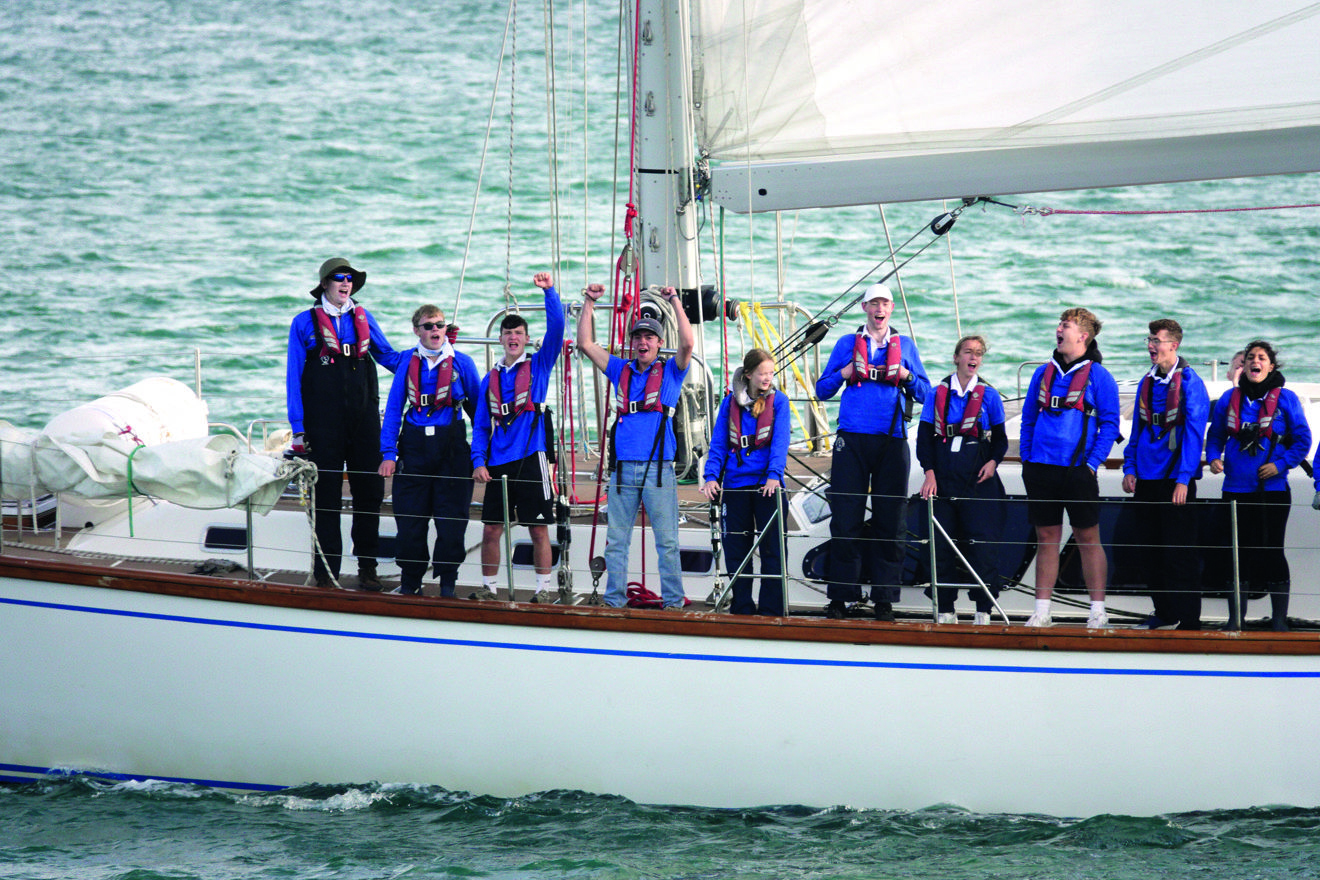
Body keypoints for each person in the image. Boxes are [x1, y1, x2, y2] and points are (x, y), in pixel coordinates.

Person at [286, 257, 404, 590]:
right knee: (326, 497)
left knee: (369, 493)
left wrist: (428, 354)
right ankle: (326, 572)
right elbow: (293, 377)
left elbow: (391, 358)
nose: (345, 282)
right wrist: (298, 428)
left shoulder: (364, 318)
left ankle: (368, 568)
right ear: (324, 284)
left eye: (350, 278)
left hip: (363, 418)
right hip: (323, 422)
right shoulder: (303, 323)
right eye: (338, 278)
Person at [814, 282, 930, 621]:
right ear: (865, 308)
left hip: (892, 440)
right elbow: (821, 389)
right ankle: (840, 597)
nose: (879, 309)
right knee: (845, 520)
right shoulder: (846, 344)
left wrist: (906, 374)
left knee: (890, 522)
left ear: (891, 310)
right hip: (852, 440)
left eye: (885, 303)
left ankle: (884, 599)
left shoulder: (905, 345)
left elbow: (926, 393)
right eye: (873, 303)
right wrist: (844, 373)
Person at [576, 284, 695, 609]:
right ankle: (614, 602)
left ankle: (673, 604)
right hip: (623, 470)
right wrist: (589, 302)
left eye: (649, 337)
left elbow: (687, 342)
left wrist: (674, 301)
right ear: (633, 343)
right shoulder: (620, 369)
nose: (643, 342)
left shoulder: (672, 371)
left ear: (659, 343)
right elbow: (585, 343)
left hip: (659, 471)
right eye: (638, 337)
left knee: (667, 542)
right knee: (616, 541)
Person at [1019, 307, 1120, 628]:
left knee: (1087, 536)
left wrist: (1091, 463)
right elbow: (1028, 420)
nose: (1059, 330)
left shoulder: (1099, 376)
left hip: (1078, 470)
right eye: (1059, 324)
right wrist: (1027, 458)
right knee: (1046, 536)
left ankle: (1097, 611)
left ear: (1083, 336)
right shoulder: (1041, 373)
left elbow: (1110, 423)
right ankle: (1042, 610)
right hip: (1041, 469)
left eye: (1066, 326)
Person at [472, 272, 565, 603]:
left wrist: (549, 292)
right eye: (508, 333)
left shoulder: (539, 366)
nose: (513, 338)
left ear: (527, 339)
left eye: (519, 333)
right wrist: (478, 461)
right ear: (501, 339)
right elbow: (481, 426)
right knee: (491, 530)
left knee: (538, 529)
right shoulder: (489, 380)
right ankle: (489, 588)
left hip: (532, 457)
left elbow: (557, 329)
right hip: (498, 462)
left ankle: (542, 590)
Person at [1205, 340, 1311, 631]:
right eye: (1250, 357)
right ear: (1244, 365)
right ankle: (1235, 618)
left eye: (1262, 358)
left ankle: (1278, 620)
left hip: (1272, 491)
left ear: (1271, 366)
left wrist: (1280, 465)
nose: (1255, 362)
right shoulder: (1229, 398)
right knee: (1237, 553)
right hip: (1235, 489)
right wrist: (1214, 458)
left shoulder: (1286, 399)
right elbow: (1215, 436)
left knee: (1272, 551)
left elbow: (1303, 441)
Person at [378, 305, 480, 596]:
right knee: (410, 521)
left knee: (452, 523)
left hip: (452, 449)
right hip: (414, 448)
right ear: (416, 331)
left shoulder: (463, 363)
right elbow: (394, 410)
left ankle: (448, 583)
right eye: (428, 326)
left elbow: (479, 415)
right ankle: (411, 582)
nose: (435, 330)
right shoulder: (406, 366)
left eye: (439, 325)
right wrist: (388, 454)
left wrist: (481, 456)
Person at [1120, 319, 1210, 630]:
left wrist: (1184, 479)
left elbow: (1195, 435)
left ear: (1174, 345)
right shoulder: (1148, 381)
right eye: (1149, 339)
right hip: (1147, 478)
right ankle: (1165, 612)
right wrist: (1129, 467)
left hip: (1175, 481)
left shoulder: (1190, 383)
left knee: (1179, 554)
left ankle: (1190, 619)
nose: (1150, 345)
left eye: (1156, 340)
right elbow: (1137, 430)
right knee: (1148, 551)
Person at [916, 335, 1007, 625]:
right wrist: (929, 473)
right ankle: (945, 610)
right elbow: (923, 440)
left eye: (979, 353)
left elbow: (1001, 441)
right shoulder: (936, 394)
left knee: (982, 547)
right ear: (956, 357)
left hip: (977, 481)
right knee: (941, 547)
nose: (974, 357)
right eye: (968, 352)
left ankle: (984, 610)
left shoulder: (989, 396)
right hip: (943, 479)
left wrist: (993, 463)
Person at [701, 348, 792, 616]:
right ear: (749, 374)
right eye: (763, 373)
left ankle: (772, 609)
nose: (767, 378)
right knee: (736, 549)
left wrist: (774, 475)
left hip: (767, 486)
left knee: (773, 549)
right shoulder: (730, 403)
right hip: (736, 485)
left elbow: (780, 443)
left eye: (771, 373)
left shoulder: (780, 402)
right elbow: (718, 443)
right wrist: (710, 476)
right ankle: (741, 608)